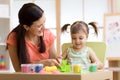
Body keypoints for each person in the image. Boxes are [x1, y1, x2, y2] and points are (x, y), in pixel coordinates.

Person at [6, 3, 61, 72]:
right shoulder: (14, 38)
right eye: (39, 26)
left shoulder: (48, 34)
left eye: (44, 22)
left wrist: (59, 60)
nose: (44, 27)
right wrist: (42, 63)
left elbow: (55, 63)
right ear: (26, 27)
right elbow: (19, 70)